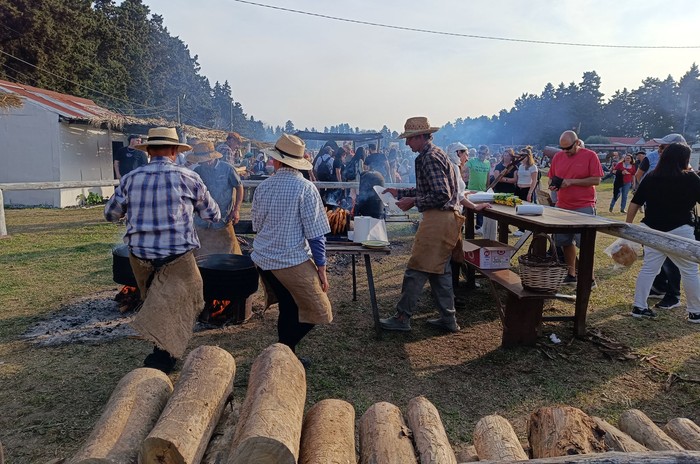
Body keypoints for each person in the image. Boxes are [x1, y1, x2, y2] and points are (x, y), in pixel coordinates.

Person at [104, 127, 221, 373]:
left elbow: (110, 214)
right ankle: (163, 357)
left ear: (148, 151)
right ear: (174, 150)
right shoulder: (189, 177)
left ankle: (162, 353)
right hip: (176, 258)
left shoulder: (131, 178)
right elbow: (212, 214)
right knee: (182, 303)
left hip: (140, 258)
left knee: (157, 303)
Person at [379, 116, 475, 333]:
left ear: (421, 137)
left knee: (416, 268)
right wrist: (401, 192)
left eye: (410, 139)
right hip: (445, 219)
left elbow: (442, 194)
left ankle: (403, 318)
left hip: (439, 219)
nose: (407, 144)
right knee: (439, 271)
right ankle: (448, 320)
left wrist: (412, 201)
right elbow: (431, 189)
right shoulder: (436, 154)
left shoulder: (429, 158)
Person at [251, 134, 333, 364]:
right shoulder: (306, 188)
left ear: (276, 161)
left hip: (263, 259)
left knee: (289, 307)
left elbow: (257, 225)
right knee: (319, 310)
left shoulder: (263, 187)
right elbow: (316, 234)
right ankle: (284, 349)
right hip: (290, 261)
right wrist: (322, 268)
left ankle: (287, 356)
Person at [626, 142, 700, 323]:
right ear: (685, 159)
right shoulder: (691, 178)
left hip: (652, 230)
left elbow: (635, 202)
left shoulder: (651, 176)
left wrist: (628, 225)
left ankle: (639, 306)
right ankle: (695, 312)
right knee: (690, 271)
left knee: (649, 268)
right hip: (680, 230)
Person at [635, 134, 687, 309]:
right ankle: (659, 287)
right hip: (657, 215)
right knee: (655, 257)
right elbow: (639, 176)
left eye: (663, 147)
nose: (659, 150)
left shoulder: (684, 166)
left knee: (673, 260)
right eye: (659, 147)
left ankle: (673, 294)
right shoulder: (651, 160)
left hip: (675, 221)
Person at [548, 130, 603, 285]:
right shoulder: (558, 157)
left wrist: (572, 181)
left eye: (568, 148)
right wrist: (553, 184)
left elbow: (597, 180)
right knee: (565, 242)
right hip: (562, 206)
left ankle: (589, 278)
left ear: (577, 142)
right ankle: (571, 274)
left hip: (583, 206)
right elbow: (552, 176)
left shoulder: (590, 155)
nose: (565, 151)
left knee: (585, 245)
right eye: (562, 148)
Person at [188, 141, 244, 256]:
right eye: (202, 161)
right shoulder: (197, 172)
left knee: (230, 254)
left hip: (224, 220)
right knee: (201, 256)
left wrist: (236, 210)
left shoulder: (228, 169)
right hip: (201, 222)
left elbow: (239, 187)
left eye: (207, 159)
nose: (205, 163)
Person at [513, 147, 539, 236]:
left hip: (527, 189)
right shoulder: (520, 166)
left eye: (523, 155)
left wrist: (530, 193)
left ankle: (524, 229)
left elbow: (534, 181)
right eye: (520, 155)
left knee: (526, 209)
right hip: (519, 189)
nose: (521, 157)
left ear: (528, 156)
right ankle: (520, 228)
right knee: (518, 208)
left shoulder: (533, 167)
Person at [467, 145, 491, 234]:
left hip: (482, 190)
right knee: (469, 209)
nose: (481, 155)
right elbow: (464, 169)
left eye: (483, 153)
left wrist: (487, 188)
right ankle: (467, 226)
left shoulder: (488, 163)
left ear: (487, 154)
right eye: (480, 153)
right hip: (471, 189)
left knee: (480, 210)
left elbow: (488, 176)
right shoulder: (472, 161)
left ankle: (479, 227)